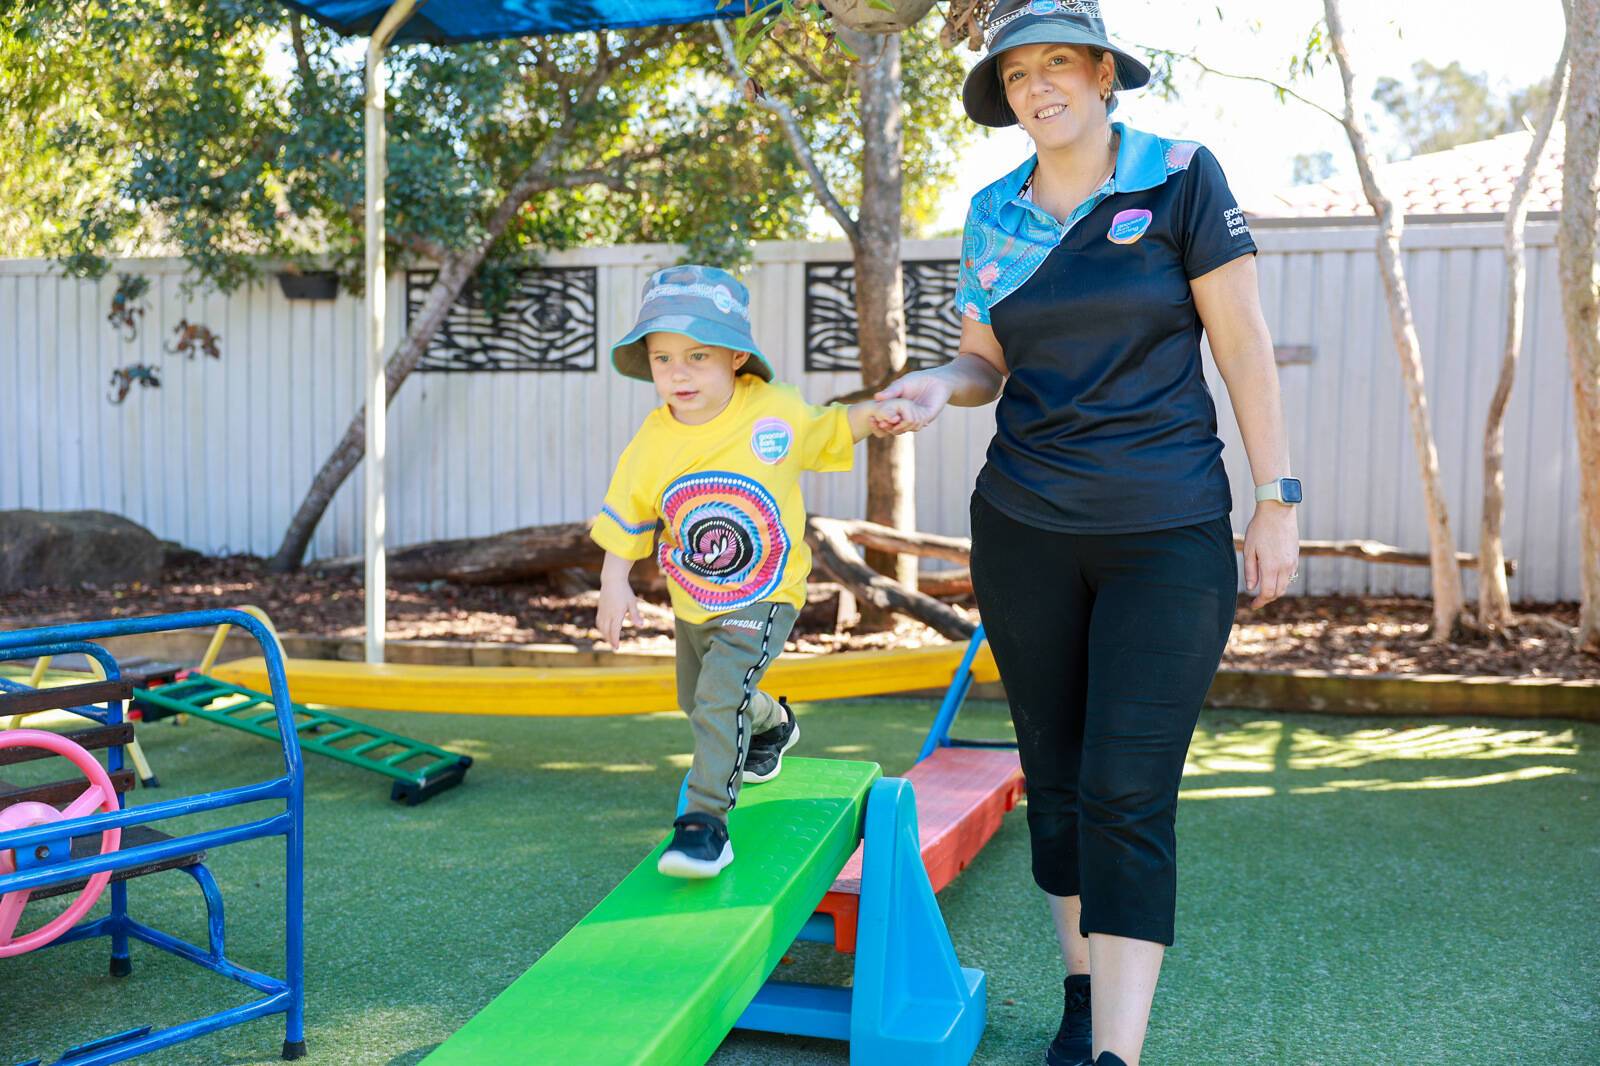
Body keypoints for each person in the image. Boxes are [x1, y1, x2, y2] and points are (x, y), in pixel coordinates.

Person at [873, 2, 1301, 1063]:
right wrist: (937, 383)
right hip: (1023, 527)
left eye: (1057, 64)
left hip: (1168, 532)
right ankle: (1078, 989)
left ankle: (1117, 1050)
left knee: (1126, 787)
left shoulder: (1179, 175)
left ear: (1103, 72)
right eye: (1016, 75)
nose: (1037, 89)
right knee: (1054, 780)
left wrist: (1276, 496)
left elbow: (1241, 343)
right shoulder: (990, 213)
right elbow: (984, 363)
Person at [592, 264, 902, 879]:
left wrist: (882, 414)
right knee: (699, 698)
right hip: (693, 597)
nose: (677, 373)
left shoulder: (774, 412)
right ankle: (774, 725)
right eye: (662, 359)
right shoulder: (652, 440)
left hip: (764, 593)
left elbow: (833, 427)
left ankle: (705, 825)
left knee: (715, 698)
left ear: (736, 358)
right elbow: (628, 512)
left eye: (697, 356)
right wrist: (613, 582)